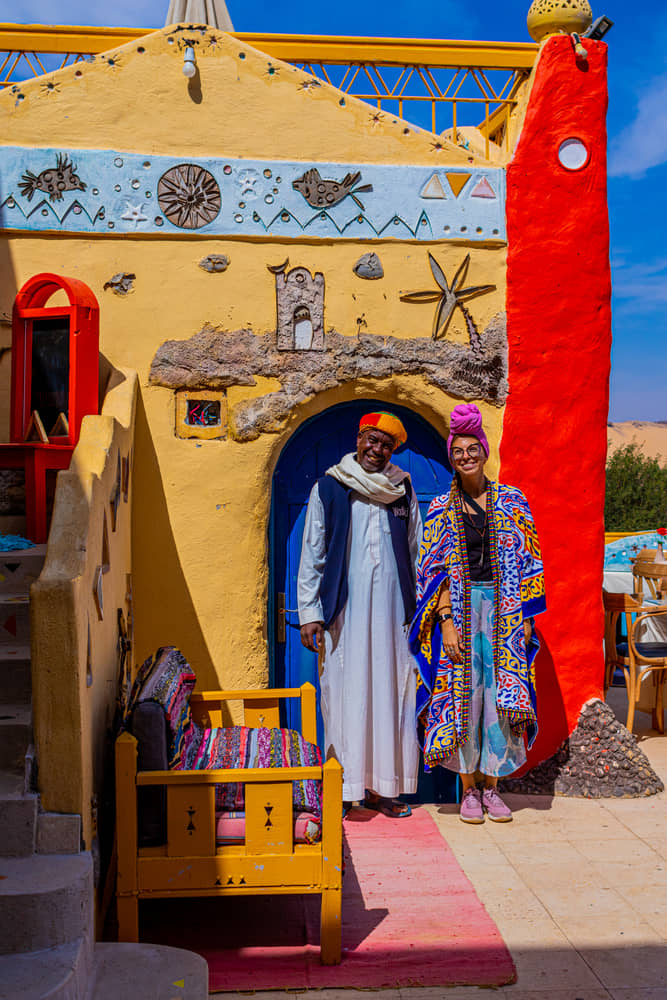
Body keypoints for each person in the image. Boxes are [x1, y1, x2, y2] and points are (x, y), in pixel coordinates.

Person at [409, 403, 546, 823]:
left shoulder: (512, 501)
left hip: (505, 611)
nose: (466, 457)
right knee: (462, 697)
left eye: (472, 449)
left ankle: (493, 787)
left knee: (499, 698)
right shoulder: (440, 509)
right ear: (452, 457)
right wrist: (445, 620)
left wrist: (524, 618)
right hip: (461, 614)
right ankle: (468, 791)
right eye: (458, 452)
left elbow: (530, 559)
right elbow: (431, 569)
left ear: (484, 452)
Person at [298, 411, 422, 816]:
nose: (377, 450)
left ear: (392, 451)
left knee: (390, 691)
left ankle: (384, 789)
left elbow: (417, 549)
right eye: (372, 440)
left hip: (392, 613)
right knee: (347, 691)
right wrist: (309, 613)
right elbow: (313, 552)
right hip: (343, 614)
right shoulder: (331, 487)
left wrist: (422, 611)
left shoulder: (402, 490)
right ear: (359, 439)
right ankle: (346, 789)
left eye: (386, 445)